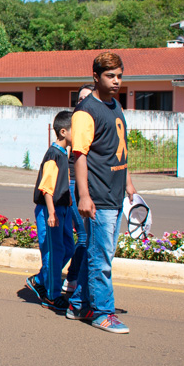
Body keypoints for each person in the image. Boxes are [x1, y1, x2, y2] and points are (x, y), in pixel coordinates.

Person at [67, 52, 136, 334]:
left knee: (98, 252)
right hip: (98, 196)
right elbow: (79, 155)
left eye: (119, 75)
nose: (117, 81)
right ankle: (103, 312)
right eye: (110, 76)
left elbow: (119, 148)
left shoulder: (115, 106)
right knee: (101, 257)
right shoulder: (86, 111)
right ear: (96, 77)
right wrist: (83, 195)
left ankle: (78, 304)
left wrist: (129, 182)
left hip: (116, 192)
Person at [25, 111, 74, 310]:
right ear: (63, 132)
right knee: (53, 253)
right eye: (75, 130)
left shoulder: (64, 153)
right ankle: (52, 296)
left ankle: (39, 280)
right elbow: (46, 187)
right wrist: (52, 212)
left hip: (62, 208)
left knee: (68, 248)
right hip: (50, 209)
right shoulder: (54, 154)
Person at [64, 84, 94, 296]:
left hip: (92, 186)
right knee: (83, 235)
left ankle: (78, 279)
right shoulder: (76, 124)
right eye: (79, 98)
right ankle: (72, 279)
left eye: (87, 97)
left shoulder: (96, 123)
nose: (82, 102)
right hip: (74, 183)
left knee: (87, 236)